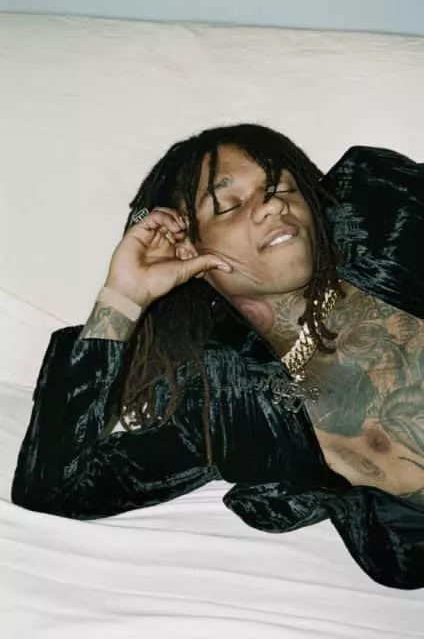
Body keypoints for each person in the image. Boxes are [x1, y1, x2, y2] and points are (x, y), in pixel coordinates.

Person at [11, 124, 424, 589]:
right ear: (188, 249)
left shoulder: (388, 219)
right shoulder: (225, 402)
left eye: (281, 188)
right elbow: (57, 487)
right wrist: (122, 299)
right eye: (228, 205)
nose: (273, 205)